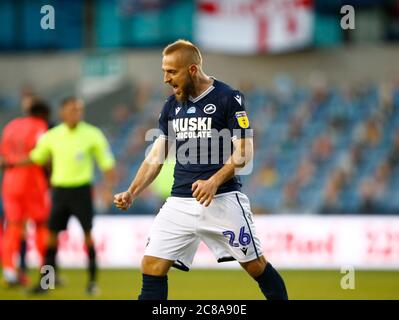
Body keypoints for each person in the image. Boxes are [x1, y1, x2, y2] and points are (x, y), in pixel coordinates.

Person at [114, 40, 288, 300]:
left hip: (222, 200)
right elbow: (156, 155)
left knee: (255, 266)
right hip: (179, 202)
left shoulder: (228, 98)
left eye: (171, 72)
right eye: (164, 71)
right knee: (151, 266)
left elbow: (244, 151)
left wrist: (213, 181)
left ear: (192, 70)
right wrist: (132, 191)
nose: (165, 78)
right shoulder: (171, 106)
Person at [6, 97, 116, 295]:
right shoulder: (52, 136)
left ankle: (92, 282)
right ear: (62, 113)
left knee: (88, 237)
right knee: (51, 239)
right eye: (73, 109)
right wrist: (11, 163)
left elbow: (107, 164)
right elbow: (35, 157)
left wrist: (107, 189)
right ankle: (46, 283)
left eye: (79, 110)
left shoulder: (92, 134)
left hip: (82, 191)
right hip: (60, 192)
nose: (77, 113)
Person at [0, 101, 51, 287]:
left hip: (9, 183)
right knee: (40, 226)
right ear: (44, 115)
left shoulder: (11, 126)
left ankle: (9, 271)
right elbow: (44, 154)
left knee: (12, 227)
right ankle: (46, 275)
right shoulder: (40, 127)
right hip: (32, 183)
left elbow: (3, 158)